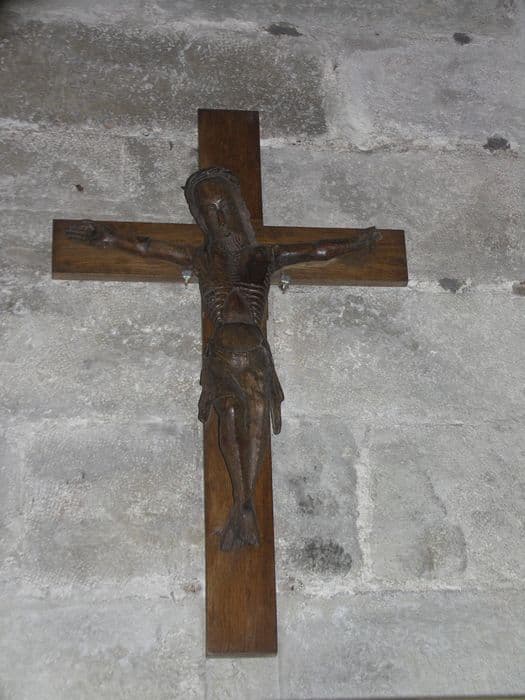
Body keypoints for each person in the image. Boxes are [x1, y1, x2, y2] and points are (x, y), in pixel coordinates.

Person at [67, 167, 380, 550]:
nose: (219, 218)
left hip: (255, 358)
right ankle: (242, 503)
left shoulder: (264, 257)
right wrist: (105, 237)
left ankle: (245, 505)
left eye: (224, 207)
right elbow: (147, 247)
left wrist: (358, 243)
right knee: (228, 413)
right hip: (220, 359)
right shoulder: (200, 259)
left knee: (256, 418)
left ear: (241, 210)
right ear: (202, 221)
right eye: (209, 212)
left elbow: (316, 250)